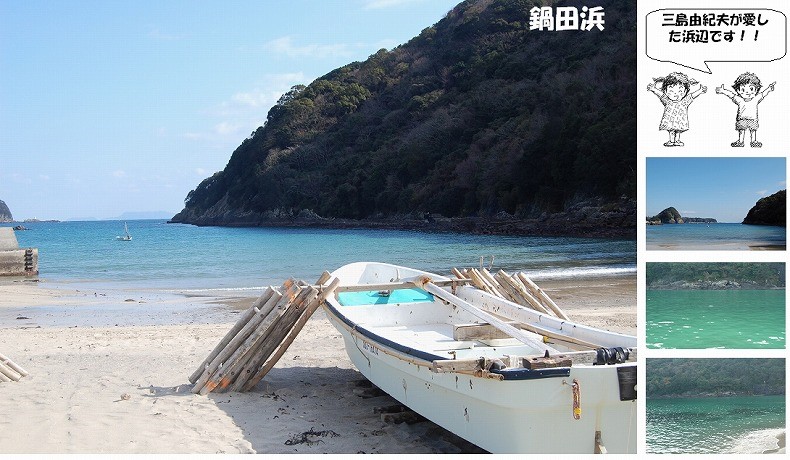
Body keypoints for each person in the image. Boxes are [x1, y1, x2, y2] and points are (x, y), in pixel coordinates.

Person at [716, 72, 775, 148]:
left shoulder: (756, 99)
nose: (747, 92)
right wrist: (723, 91)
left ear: (756, 90)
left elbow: (763, 93)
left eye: (751, 89)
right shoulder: (739, 99)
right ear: (738, 91)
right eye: (743, 89)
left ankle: (753, 141)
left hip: (753, 119)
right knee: (741, 130)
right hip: (742, 119)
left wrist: (769, 89)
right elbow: (731, 95)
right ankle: (740, 142)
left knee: (753, 130)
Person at [647, 72, 706, 147]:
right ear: (665, 91)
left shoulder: (684, 101)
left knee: (678, 131)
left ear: (685, 91)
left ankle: (677, 140)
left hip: (680, 120)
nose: (676, 94)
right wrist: (653, 89)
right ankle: (671, 141)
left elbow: (692, 96)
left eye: (680, 92)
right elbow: (660, 94)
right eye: (671, 91)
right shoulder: (667, 100)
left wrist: (700, 91)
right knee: (671, 130)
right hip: (670, 120)